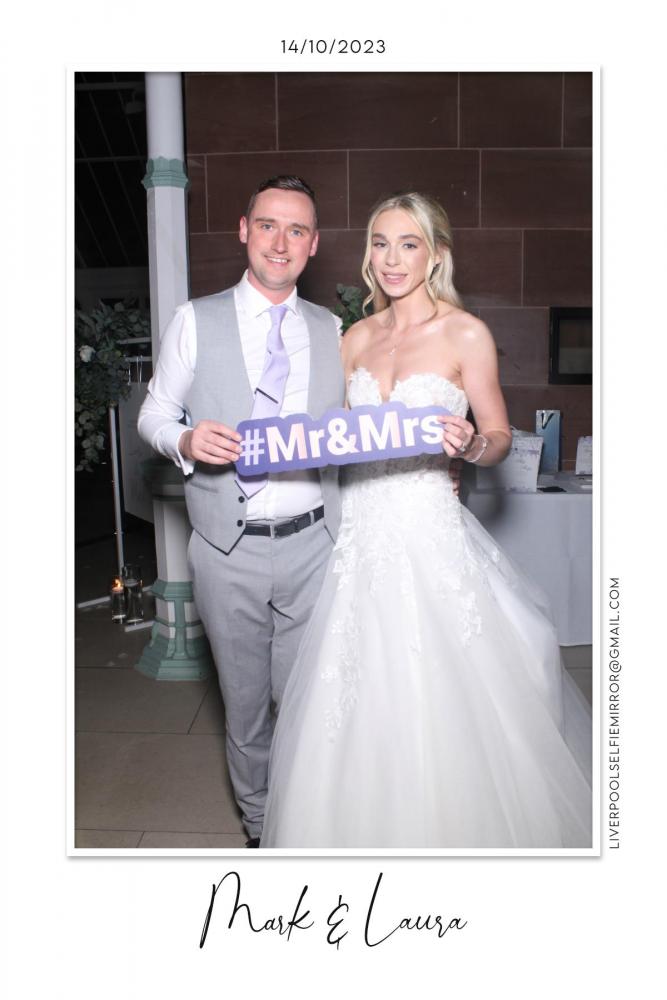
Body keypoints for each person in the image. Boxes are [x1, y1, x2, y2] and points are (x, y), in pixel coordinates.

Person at [261, 191, 592, 849]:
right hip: (360, 536)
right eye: (380, 243)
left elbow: (498, 435)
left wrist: (470, 445)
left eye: (407, 244)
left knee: (447, 693)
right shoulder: (354, 339)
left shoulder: (464, 333)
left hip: (427, 530)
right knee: (353, 695)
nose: (391, 259)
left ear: (435, 254)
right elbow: (334, 436)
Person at [138, 176, 345, 846]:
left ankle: (306, 816)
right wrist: (185, 441)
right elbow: (153, 415)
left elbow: (357, 430)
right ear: (243, 230)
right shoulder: (194, 319)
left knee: (307, 700)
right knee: (247, 704)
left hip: (315, 545)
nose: (280, 242)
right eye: (267, 225)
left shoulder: (333, 329)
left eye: (296, 230)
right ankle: (261, 826)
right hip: (227, 546)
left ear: (313, 244)